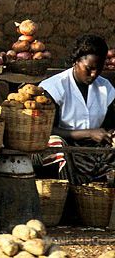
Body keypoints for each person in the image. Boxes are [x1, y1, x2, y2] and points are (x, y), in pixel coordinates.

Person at [38, 34, 115, 185]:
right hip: (66, 147)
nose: (94, 74)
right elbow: (45, 130)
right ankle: (70, 194)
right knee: (57, 144)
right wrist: (87, 133)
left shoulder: (105, 87)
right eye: (89, 69)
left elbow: (110, 124)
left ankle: (100, 195)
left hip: (94, 149)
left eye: (98, 69)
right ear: (75, 61)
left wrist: (110, 133)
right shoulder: (54, 87)